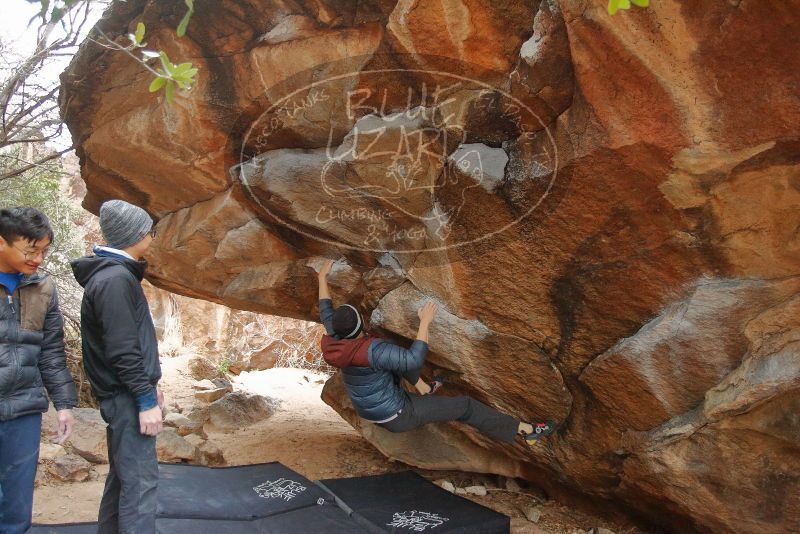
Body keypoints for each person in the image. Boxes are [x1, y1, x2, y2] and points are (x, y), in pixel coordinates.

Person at [316, 259, 556, 445]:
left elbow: (326, 310)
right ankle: (526, 431)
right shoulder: (374, 350)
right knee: (465, 406)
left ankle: (424, 388)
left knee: (396, 364)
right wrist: (425, 322)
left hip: (374, 408)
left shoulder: (335, 340)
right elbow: (414, 359)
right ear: (360, 325)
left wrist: (321, 278)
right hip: (398, 414)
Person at [71, 200, 163, 534]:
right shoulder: (114, 281)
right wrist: (145, 399)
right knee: (140, 484)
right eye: (149, 230)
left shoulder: (112, 276)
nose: (152, 236)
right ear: (136, 235)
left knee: (123, 477)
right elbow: (123, 350)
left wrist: (152, 386)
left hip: (124, 395)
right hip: (126, 397)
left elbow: (130, 343)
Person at [0, 207, 77, 534]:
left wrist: (64, 404)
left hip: (24, 408)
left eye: (44, 251)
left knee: (17, 507)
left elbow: (51, 351)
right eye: (31, 250)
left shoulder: (43, 286)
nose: (39, 259)